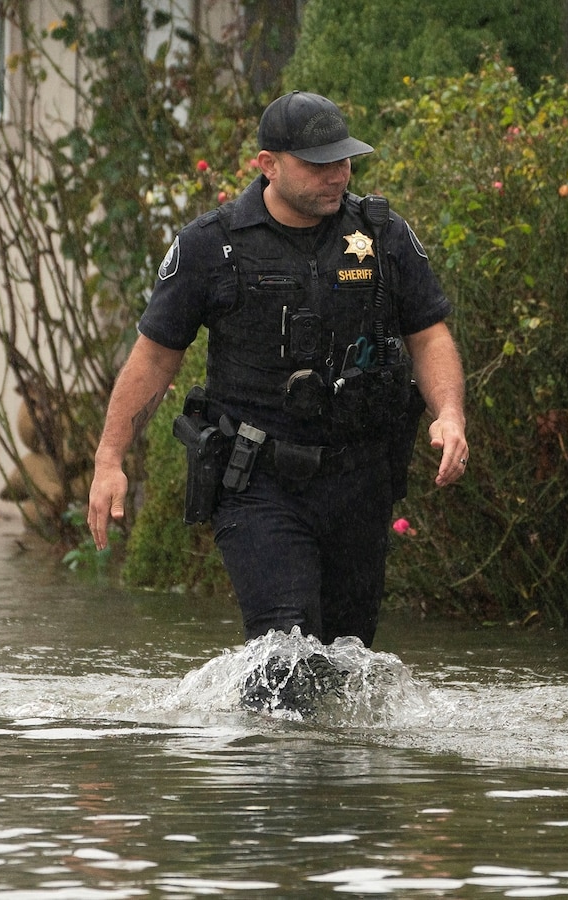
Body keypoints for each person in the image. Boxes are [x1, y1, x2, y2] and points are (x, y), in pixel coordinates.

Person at [87, 91, 468, 666]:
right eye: (318, 164)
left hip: (359, 480)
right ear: (269, 164)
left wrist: (450, 414)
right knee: (286, 655)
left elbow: (428, 336)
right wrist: (109, 459)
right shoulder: (210, 245)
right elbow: (155, 359)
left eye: (344, 160)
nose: (337, 175)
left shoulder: (380, 234)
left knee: (347, 661)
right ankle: (258, 723)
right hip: (258, 483)